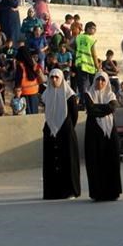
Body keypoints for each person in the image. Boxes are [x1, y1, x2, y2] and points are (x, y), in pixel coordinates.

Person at [42, 68, 80, 200]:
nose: (54, 80)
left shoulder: (69, 95)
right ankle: (52, 192)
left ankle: (69, 191)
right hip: (50, 131)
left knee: (67, 161)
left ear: (62, 79)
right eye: (51, 77)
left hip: (65, 131)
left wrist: (67, 127)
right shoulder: (47, 94)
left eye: (56, 77)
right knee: (52, 162)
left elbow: (74, 114)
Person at [84, 72, 122, 201]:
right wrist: (104, 108)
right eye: (97, 80)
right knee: (95, 161)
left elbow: (112, 107)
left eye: (103, 80)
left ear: (106, 82)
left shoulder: (111, 95)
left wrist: (97, 109)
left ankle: (112, 192)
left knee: (111, 160)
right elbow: (90, 109)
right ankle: (97, 193)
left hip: (109, 133)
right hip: (94, 133)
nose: (100, 82)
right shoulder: (89, 94)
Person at [75, 22, 100, 108]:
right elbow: (94, 54)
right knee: (92, 85)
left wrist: (76, 52)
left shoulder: (78, 37)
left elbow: (68, 45)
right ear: (88, 28)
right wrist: (97, 66)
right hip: (89, 65)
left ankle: (83, 103)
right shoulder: (91, 39)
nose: (95, 31)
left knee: (82, 86)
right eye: (93, 29)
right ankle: (92, 102)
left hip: (80, 64)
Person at [14, 46, 44, 114]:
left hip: (24, 93)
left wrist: (17, 94)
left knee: (26, 113)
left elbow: (18, 80)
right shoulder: (33, 64)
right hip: (34, 91)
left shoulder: (20, 66)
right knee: (34, 112)